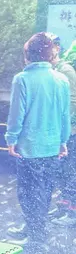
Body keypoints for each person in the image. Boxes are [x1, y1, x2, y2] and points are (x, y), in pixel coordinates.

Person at [5, 32, 71, 250]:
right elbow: (64, 115)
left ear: (28, 55)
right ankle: (35, 229)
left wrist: (11, 138)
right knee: (44, 189)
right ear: (50, 54)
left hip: (29, 146)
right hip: (52, 145)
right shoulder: (61, 80)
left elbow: (17, 114)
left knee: (27, 191)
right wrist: (63, 141)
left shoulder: (22, 79)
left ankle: (36, 236)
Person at [53, 36, 76, 226]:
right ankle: (65, 207)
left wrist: (65, 128)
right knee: (64, 171)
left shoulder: (66, 71)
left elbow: (72, 102)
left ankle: (71, 212)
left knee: (71, 171)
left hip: (71, 130)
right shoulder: (58, 69)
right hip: (66, 130)